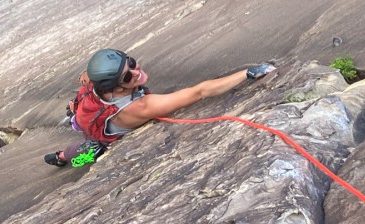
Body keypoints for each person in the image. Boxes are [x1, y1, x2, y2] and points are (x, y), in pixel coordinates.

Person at [45, 49, 275, 166]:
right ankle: (69, 160)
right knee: (90, 153)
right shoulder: (142, 107)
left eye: (132, 63)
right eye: (127, 77)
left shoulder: (96, 80)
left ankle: (61, 157)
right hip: (103, 135)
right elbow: (199, 92)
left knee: (83, 143)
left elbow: (84, 76)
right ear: (115, 88)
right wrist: (246, 74)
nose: (136, 72)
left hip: (84, 116)